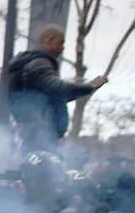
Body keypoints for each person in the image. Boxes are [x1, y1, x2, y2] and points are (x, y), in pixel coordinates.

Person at [7, 24, 108, 154]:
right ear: (48, 40)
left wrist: (84, 88)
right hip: (40, 135)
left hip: (37, 133)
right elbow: (58, 88)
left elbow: (56, 95)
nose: (63, 47)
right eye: (60, 42)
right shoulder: (40, 63)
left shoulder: (33, 63)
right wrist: (90, 86)